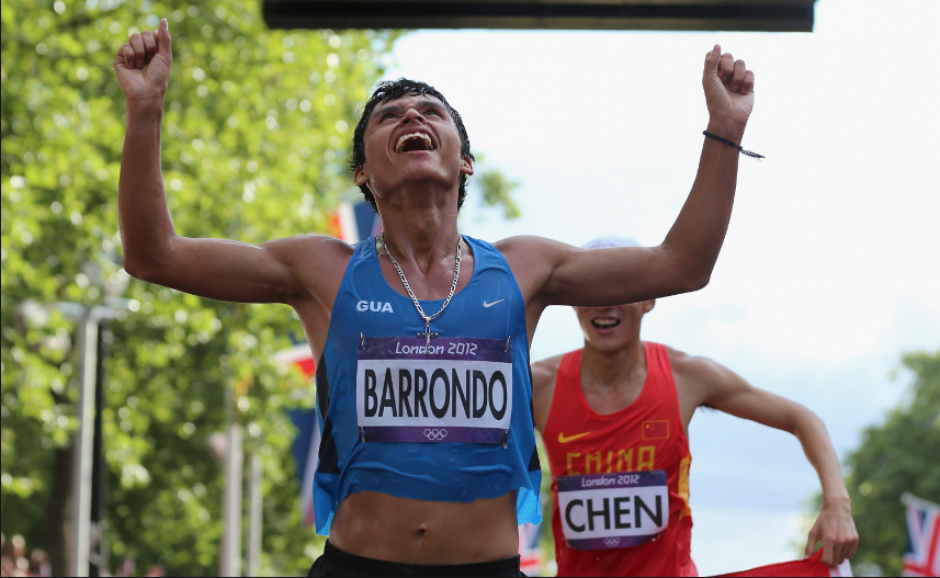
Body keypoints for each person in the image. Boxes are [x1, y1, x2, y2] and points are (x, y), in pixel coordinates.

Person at [114, 18, 757, 577]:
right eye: (389, 117)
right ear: (363, 173)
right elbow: (154, 255)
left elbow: (682, 265)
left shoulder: (525, 265)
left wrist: (724, 129)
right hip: (356, 568)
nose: (412, 118)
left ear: (466, 162)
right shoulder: (321, 268)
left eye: (431, 113)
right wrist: (145, 111)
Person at [532, 236, 860, 577]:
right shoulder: (537, 385)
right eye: (592, 290)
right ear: (571, 300)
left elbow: (802, 418)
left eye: (622, 288)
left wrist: (838, 503)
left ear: (650, 299)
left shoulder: (687, 375)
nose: (605, 303)